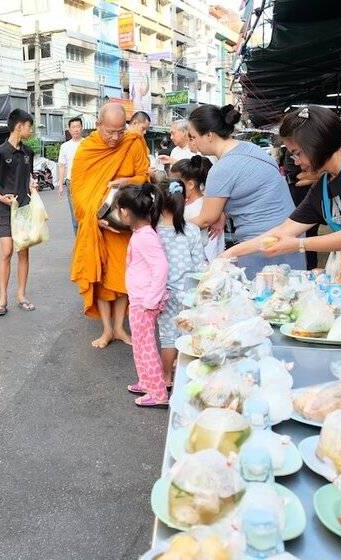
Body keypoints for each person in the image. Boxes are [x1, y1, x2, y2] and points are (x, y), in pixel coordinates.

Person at [224, 105, 341, 288]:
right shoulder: (324, 186)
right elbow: (282, 231)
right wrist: (230, 254)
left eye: (297, 153)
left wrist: (299, 244)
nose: (296, 162)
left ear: (316, 145)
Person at [186, 104, 303, 275]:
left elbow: (206, 219)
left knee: (263, 290)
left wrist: (171, 227)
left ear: (209, 135)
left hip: (263, 244)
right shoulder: (250, 148)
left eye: (193, 137)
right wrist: (223, 213)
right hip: (290, 233)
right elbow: (250, 190)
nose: (193, 142)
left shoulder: (221, 169)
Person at [70, 102, 151, 348]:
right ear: (98, 125)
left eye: (120, 131)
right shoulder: (87, 149)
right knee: (103, 280)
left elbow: (144, 176)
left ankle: (119, 328)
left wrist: (126, 181)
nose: (115, 138)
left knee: (124, 279)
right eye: (109, 132)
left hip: (125, 225)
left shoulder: (133, 142)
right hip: (99, 227)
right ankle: (106, 329)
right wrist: (94, 219)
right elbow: (79, 191)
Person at [114, 184, 169, 408]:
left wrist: (151, 300)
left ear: (125, 212)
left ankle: (158, 393)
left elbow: (161, 267)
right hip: (140, 299)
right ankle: (147, 382)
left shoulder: (145, 236)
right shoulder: (142, 233)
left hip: (145, 301)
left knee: (146, 346)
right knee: (140, 344)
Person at [0, 109, 37, 316]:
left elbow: (28, 177)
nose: (31, 130)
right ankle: (2, 298)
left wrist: (32, 185)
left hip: (24, 208)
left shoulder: (28, 153)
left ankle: (21, 295)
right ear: (19, 126)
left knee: (23, 251)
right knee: (6, 251)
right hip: (5, 208)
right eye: (29, 126)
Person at [156, 179, 206, 390]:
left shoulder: (154, 232)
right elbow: (200, 264)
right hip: (189, 292)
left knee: (168, 336)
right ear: (184, 201)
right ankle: (186, 380)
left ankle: (166, 378)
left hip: (164, 293)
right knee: (188, 334)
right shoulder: (192, 230)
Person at [170, 155, 224, 261]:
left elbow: (210, 247)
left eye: (175, 184)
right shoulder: (187, 203)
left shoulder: (202, 207)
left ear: (190, 184)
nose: (170, 187)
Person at [278, 146, 320, 269]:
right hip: (299, 195)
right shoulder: (291, 154)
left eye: (298, 156)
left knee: (309, 233)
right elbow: (298, 178)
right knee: (305, 232)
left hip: (304, 196)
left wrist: (315, 176)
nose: (297, 162)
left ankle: (311, 266)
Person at [57, 116, 84, 234]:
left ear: (82, 128)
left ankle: (88, 241)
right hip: (71, 182)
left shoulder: (88, 143)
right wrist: (60, 185)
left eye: (78, 126)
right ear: (69, 129)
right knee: (75, 216)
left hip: (87, 182)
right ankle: (79, 242)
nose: (76, 129)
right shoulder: (65, 146)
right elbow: (61, 165)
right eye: (73, 127)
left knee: (88, 213)